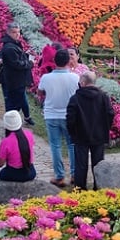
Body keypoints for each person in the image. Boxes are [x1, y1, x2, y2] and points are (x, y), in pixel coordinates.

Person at [37, 49, 80, 187]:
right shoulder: (75, 78)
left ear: (54, 61)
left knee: (55, 146)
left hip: (51, 115)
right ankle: (74, 174)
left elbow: (40, 91)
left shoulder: (46, 78)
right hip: (69, 116)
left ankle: (59, 176)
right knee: (72, 145)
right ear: (68, 61)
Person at [66, 71, 114, 190]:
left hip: (80, 135)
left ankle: (80, 188)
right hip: (99, 134)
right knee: (98, 163)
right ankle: (98, 186)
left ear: (82, 83)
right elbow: (110, 114)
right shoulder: (103, 97)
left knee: (80, 164)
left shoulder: (75, 98)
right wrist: (105, 128)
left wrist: (72, 132)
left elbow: (70, 118)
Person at [0, 23, 35, 126]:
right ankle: (10, 123)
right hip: (10, 80)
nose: (17, 34)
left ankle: (26, 117)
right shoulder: (9, 47)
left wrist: (26, 55)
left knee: (21, 98)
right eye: (14, 32)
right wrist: (29, 63)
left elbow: (17, 59)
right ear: (8, 33)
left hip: (17, 80)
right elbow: (16, 64)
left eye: (18, 32)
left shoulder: (15, 44)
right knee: (11, 102)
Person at [0, 110, 36, 182]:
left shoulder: (6, 141)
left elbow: (0, 164)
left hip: (14, 174)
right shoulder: (29, 134)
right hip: (31, 172)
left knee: (2, 174)